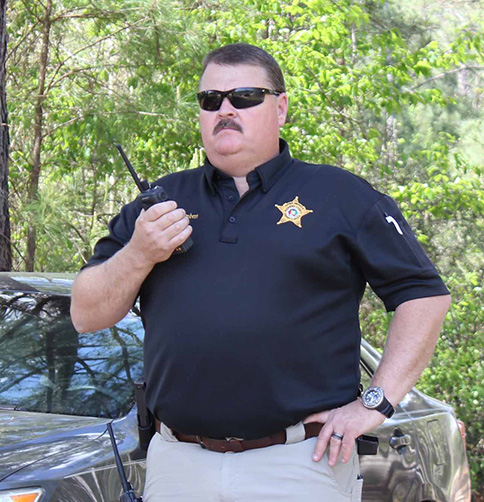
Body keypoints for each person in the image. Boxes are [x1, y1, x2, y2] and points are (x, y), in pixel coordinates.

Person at [70, 43, 451, 502]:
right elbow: (86, 314)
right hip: (177, 464)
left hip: (301, 463)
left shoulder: (341, 195)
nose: (225, 110)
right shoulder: (161, 202)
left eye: (245, 97)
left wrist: (375, 402)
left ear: (281, 107)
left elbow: (424, 295)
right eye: (210, 100)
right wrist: (138, 253)